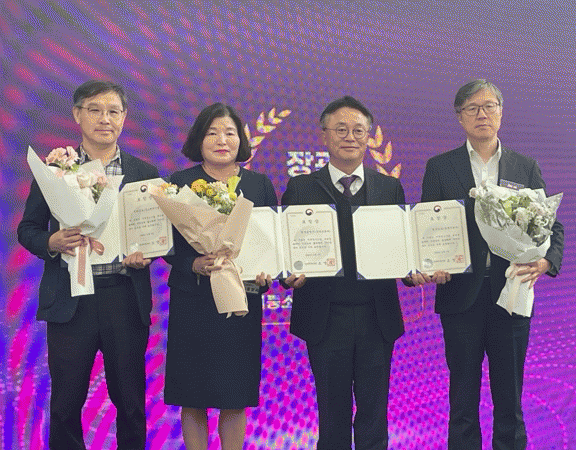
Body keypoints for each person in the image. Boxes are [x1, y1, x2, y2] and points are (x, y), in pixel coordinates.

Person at [419, 79, 564, 450]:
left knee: (510, 399)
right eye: (472, 108)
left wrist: (547, 261)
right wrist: (430, 263)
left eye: (489, 106)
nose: (481, 114)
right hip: (459, 295)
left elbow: (551, 224)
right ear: (460, 117)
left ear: (501, 112)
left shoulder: (524, 166)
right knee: (462, 400)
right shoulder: (440, 167)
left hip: (510, 293)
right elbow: (427, 226)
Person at [17, 80, 159, 449]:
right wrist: (51, 242)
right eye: (95, 110)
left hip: (123, 297)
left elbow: (159, 232)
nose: (104, 119)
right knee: (66, 403)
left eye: (113, 111)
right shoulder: (55, 169)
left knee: (131, 402)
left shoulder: (144, 172)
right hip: (71, 299)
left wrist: (149, 252)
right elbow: (28, 229)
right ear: (78, 114)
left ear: (124, 118)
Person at [282, 96, 405, 450]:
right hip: (325, 318)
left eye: (358, 130)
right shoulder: (301, 188)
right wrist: (287, 274)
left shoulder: (389, 188)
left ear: (369, 137)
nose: (350, 137)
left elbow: (401, 249)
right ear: (324, 135)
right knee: (332, 414)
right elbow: (287, 250)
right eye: (340, 129)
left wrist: (416, 270)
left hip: (376, 317)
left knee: (374, 413)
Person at [163, 103, 277, 450]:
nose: (222, 140)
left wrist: (266, 273)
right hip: (193, 300)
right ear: (199, 139)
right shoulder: (180, 183)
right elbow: (165, 244)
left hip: (240, 302)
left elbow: (270, 241)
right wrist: (192, 264)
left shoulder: (258, 185)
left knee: (234, 393)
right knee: (192, 394)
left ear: (241, 140)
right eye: (212, 133)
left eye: (229, 133)